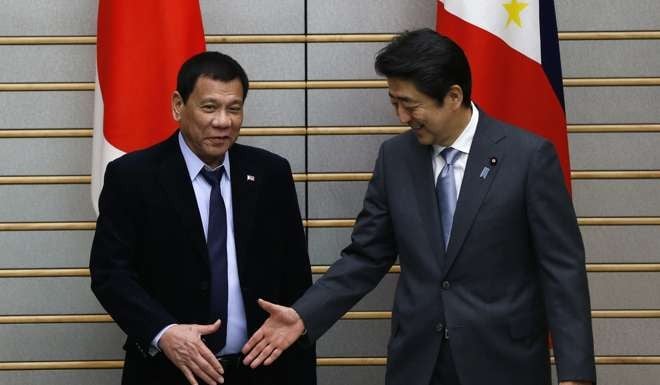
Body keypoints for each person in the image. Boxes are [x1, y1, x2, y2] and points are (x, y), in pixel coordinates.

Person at [241, 29, 596, 385]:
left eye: (409, 104)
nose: (400, 116)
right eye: (394, 101)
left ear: (453, 96)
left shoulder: (528, 157)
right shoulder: (395, 158)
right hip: (418, 363)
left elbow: (561, 268)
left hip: (503, 362)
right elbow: (366, 256)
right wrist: (304, 315)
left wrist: (575, 374)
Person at [90, 51, 316, 385]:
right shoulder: (133, 176)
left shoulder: (270, 173)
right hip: (169, 371)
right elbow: (110, 273)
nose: (223, 121)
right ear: (179, 106)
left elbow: (296, 280)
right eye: (209, 107)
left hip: (263, 371)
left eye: (234, 108)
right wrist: (163, 332)